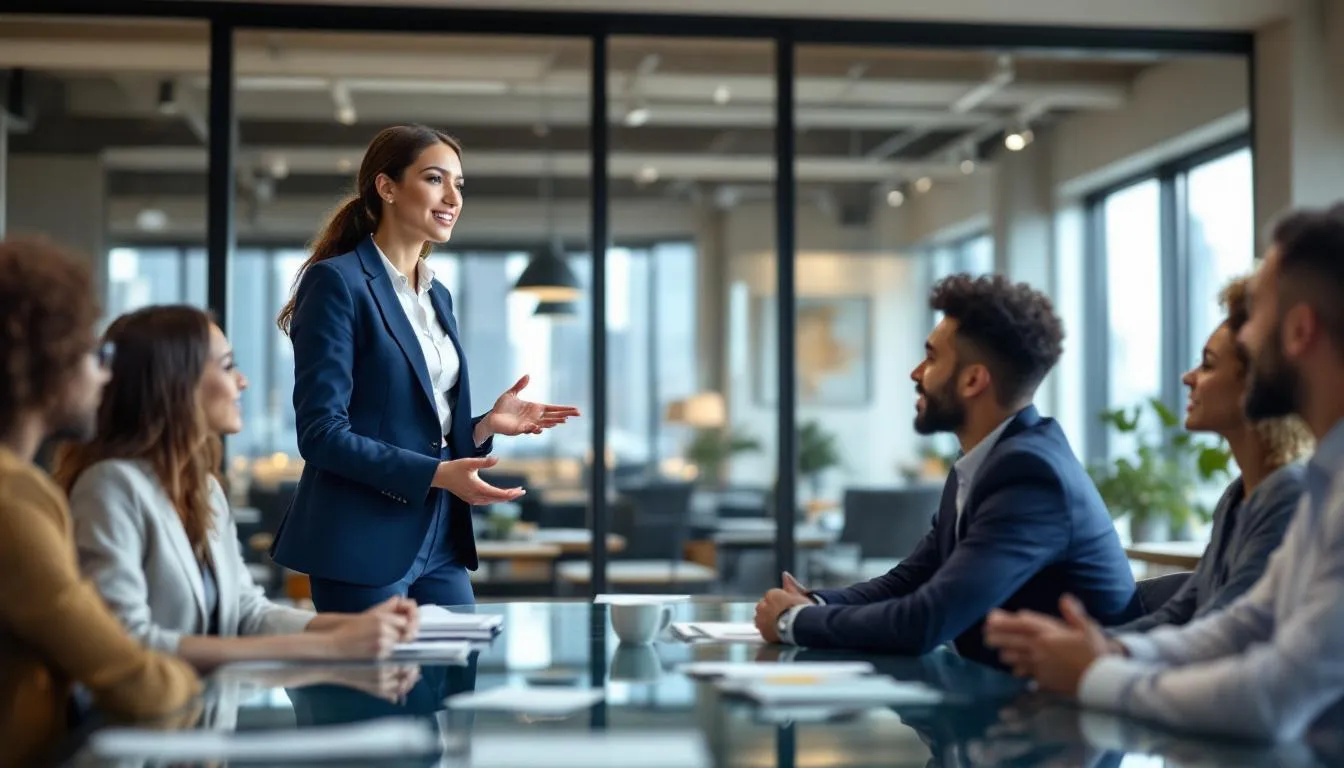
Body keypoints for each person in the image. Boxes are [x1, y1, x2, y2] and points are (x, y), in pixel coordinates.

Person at [983, 203, 1344, 742]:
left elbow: (1270, 696)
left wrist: (1095, 674)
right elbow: (1248, 622)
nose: (1244, 337)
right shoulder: (1326, 481)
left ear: (1299, 330)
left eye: (1257, 316)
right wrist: (1117, 651)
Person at [755, 274, 1142, 666]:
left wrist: (794, 621)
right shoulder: (983, 462)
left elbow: (925, 620)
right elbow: (911, 580)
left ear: (973, 380)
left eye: (932, 357)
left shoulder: (1031, 476)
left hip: (1066, 716)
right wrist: (815, 602)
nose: (916, 373)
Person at [271, 124, 579, 613]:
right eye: (435, 179)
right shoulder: (337, 283)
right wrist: (436, 473)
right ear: (387, 187)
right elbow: (321, 434)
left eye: (459, 184)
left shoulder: (438, 295)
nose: (452, 196)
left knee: (459, 681)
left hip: (441, 539)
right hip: (361, 539)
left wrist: (483, 426)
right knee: (375, 689)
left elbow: (422, 423)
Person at [55, 306, 419, 671]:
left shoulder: (205, 488)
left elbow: (247, 612)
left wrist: (357, 625)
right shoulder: (109, 487)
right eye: (227, 366)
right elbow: (126, 641)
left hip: (206, 717)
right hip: (142, 723)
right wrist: (330, 646)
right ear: (176, 381)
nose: (242, 382)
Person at [0, 238, 200, 765]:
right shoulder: (11, 499)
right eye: (94, 353)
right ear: (48, 361)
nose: (105, 374)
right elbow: (127, 677)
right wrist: (190, 689)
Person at [1111, 276, 1312, 634]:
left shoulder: (1289, 494)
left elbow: (1223, 627)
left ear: (1255, 384)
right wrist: (1097, 646)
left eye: (1207, 364)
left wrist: (1097, 657)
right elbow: (1183, 609)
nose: (1188, 377)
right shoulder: (1237, 494)